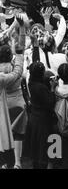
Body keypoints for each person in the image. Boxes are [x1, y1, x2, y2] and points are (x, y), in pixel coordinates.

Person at [24, 62, 56, 169]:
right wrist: (52, 88)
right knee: (43, 148)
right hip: (42, 121)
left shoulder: (31, 82)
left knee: (35, 148)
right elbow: (50, 103)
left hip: (34, 118)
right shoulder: (41, 88)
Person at [0, 40, 24, 169]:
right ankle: (17, 162)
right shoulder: (10, 69)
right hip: (17, 102)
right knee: (18, 134)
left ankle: (4, 163)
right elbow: (19, 74)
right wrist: (19, 55)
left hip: (4, 105)